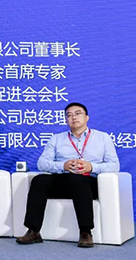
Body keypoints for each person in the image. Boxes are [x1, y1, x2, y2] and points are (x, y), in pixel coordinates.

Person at [16, 102, 119, 248]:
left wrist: (91, 166)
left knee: (78, 180)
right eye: (69, 115)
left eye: (78, 114)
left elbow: (114, 165)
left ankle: (85, 232)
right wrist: (62, 166)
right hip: (63, 179)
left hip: (89, 181)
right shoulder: (56, 139)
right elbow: (42, 163)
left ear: (87, 117)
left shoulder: (103, 138)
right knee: (39, 180)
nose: (73, 117)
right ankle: (33, 231)